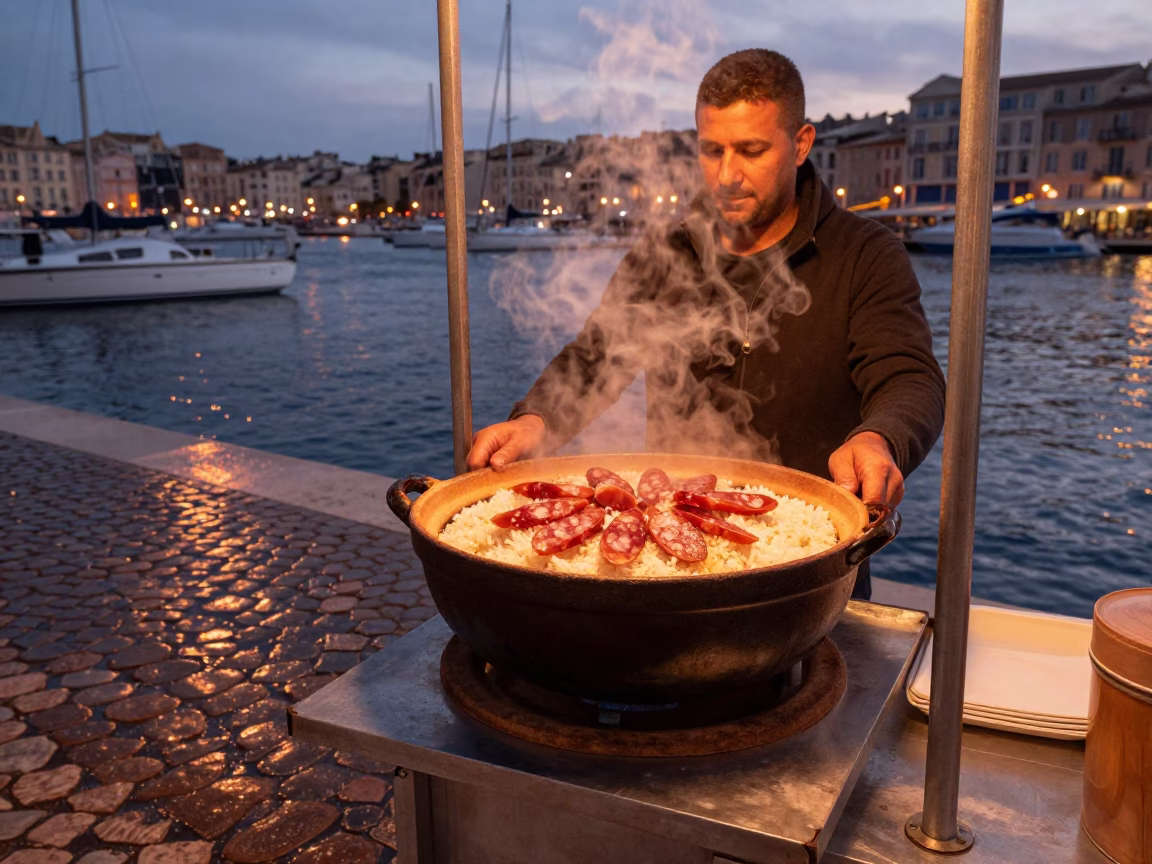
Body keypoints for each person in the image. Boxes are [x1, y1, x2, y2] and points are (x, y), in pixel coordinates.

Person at [466, 49, 946, 599]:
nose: (727, 175)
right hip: (668, 568)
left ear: (802, 144)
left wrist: (880, 436)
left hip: (808, 562)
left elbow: (908, 376)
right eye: (711, 150)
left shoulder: (866, 254)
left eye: (752, 150)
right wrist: (536, 419)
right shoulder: (664, 252)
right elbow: (595, 357)